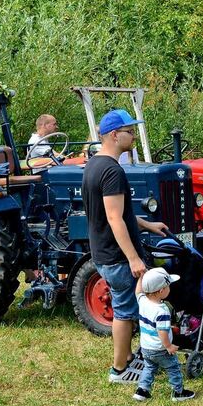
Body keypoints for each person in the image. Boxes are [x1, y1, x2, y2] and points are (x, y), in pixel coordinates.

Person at [83, 109, 170, 385]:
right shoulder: (112, 171)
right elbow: (113, 217)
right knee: (124, 311)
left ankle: (131, 358)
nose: (132, 136)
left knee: (128, 307)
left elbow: (120, 213)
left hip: (103, 250)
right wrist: (133, 257)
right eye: (129, 131)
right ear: (113, 135)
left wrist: (147, 225)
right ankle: (119, 369)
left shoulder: (94, 164)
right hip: (117, 255)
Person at [132, 268, 196, 402]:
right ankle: (178, 392)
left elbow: (138, 291)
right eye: (168, 286)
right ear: (161, 291)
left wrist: (141, 278)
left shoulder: (143, 301)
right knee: (173, 367)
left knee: (149, 367)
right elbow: (162, 332)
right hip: (160, 348)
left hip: (146, 347)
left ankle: (142, 390)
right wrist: (169, 346)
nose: (169, 289)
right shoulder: (162, 310)